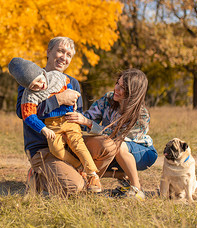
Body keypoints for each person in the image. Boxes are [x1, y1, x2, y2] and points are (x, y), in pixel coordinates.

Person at [15, 37, 116, 195]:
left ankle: (86, 174)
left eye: (69, 54)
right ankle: (38, 175)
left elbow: (78, 117)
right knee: (75, 187)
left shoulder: (73, 83)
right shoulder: (32, 79)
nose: (64, 57)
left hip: (70, 140)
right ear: (49, 52)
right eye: (60, 51)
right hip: (43, 148)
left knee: (108, 147)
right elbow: (23, 113)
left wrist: (84, 120)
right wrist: (58, 99)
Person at [8, 57, 101, 192]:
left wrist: (74, 98)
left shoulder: (56, 77)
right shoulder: (29, 95)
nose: (40, 86)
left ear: (42, 73)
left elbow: (68, 85)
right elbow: (27, 115)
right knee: (56, 150)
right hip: (51, 127)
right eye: (34, 86)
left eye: (39, 80)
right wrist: (43, 128)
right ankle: (78, 167)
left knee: (78, 144)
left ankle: (93, 174)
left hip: (68, 120)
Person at [65, 68, 158, 199]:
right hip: (113, 149)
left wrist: (89, 123)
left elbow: (119, 135)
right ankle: (118, 177)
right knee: (97, 149)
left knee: (118, 146)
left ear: (133, 93)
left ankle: (137, 189)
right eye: (117, 84)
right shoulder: (108, 99)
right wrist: (73, 114)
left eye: (122, 88)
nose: (116, 89)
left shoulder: (142, 114)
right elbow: (88, 118)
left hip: (142, 152)